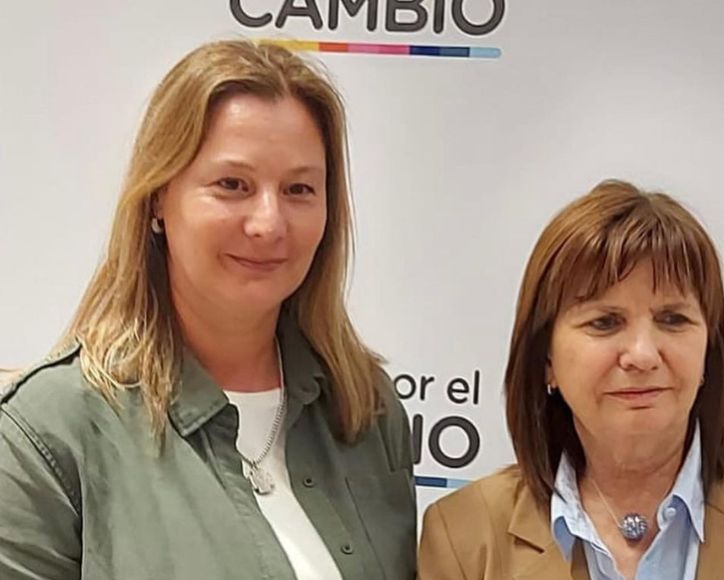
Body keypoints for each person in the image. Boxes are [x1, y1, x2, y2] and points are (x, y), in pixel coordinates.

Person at [0, 39, 416, 580]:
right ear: (158, 197)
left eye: (298, 189)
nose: (268, 223)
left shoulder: (366, 409)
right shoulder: (47, 432)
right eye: (232, 185)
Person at [418, 180, 724, 580]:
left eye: (672, 319)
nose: (643, 355)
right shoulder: (464, 536)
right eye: (605, 322)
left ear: (708, 350)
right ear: (546, 359)